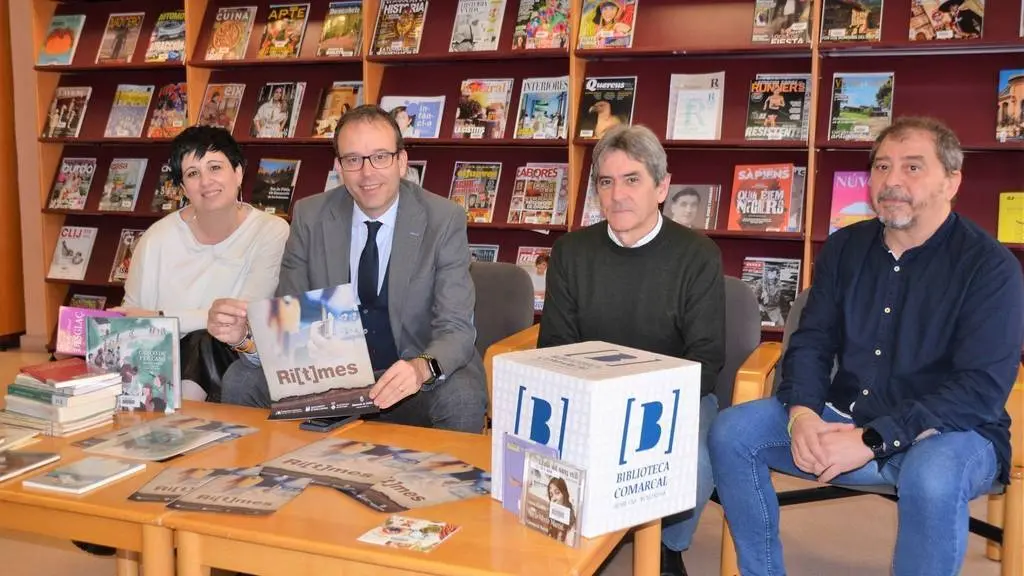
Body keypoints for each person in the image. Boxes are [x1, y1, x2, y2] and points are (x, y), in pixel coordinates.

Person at [708, 116, 1024, 576]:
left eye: (913, 168)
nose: (891, 181)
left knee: (932, 478)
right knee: (733, 432)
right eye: (881, 167)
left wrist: (872, 440)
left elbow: (978, 389)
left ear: (952, 181)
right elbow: (812, 341)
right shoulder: (844, 248)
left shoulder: (991, 268)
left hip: (950, 432)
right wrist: (802, 415)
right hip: (845, 416)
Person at [209, 105, 487, 433]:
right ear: (339, 167)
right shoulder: (311, 217)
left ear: (401, 162)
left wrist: (420, 368)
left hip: (411, 373)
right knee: (242, 379)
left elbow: (456, 328)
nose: (367, 173)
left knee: (462, 395)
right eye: (353, 160)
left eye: (380, 156)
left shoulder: (443, 219)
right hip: (330, 373)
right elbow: (292, 321)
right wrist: (245, 338)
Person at [538, 125, 725, 576]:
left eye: (632, 179)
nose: (617, 194)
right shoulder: (571, 251)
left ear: (661, 187)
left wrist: (633, 405)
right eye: (606, 181)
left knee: (698, 458)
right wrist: (598, 403)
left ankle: (666, 545)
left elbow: (706, 359)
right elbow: (554, 346)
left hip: (671, 400)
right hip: (588, 395)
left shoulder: (697, 255)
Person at [111, 125, 290, 401]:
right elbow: (132, 316)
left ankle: (180, 422)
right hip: (157, 359)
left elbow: (243, 318)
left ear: (239, 172)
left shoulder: (271, 231)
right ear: (183, 188)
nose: (206, 181)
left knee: (203, 340)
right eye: (193, 173)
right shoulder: (157, 237)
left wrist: (161, 318)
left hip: (232, 357)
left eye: (215, 167)